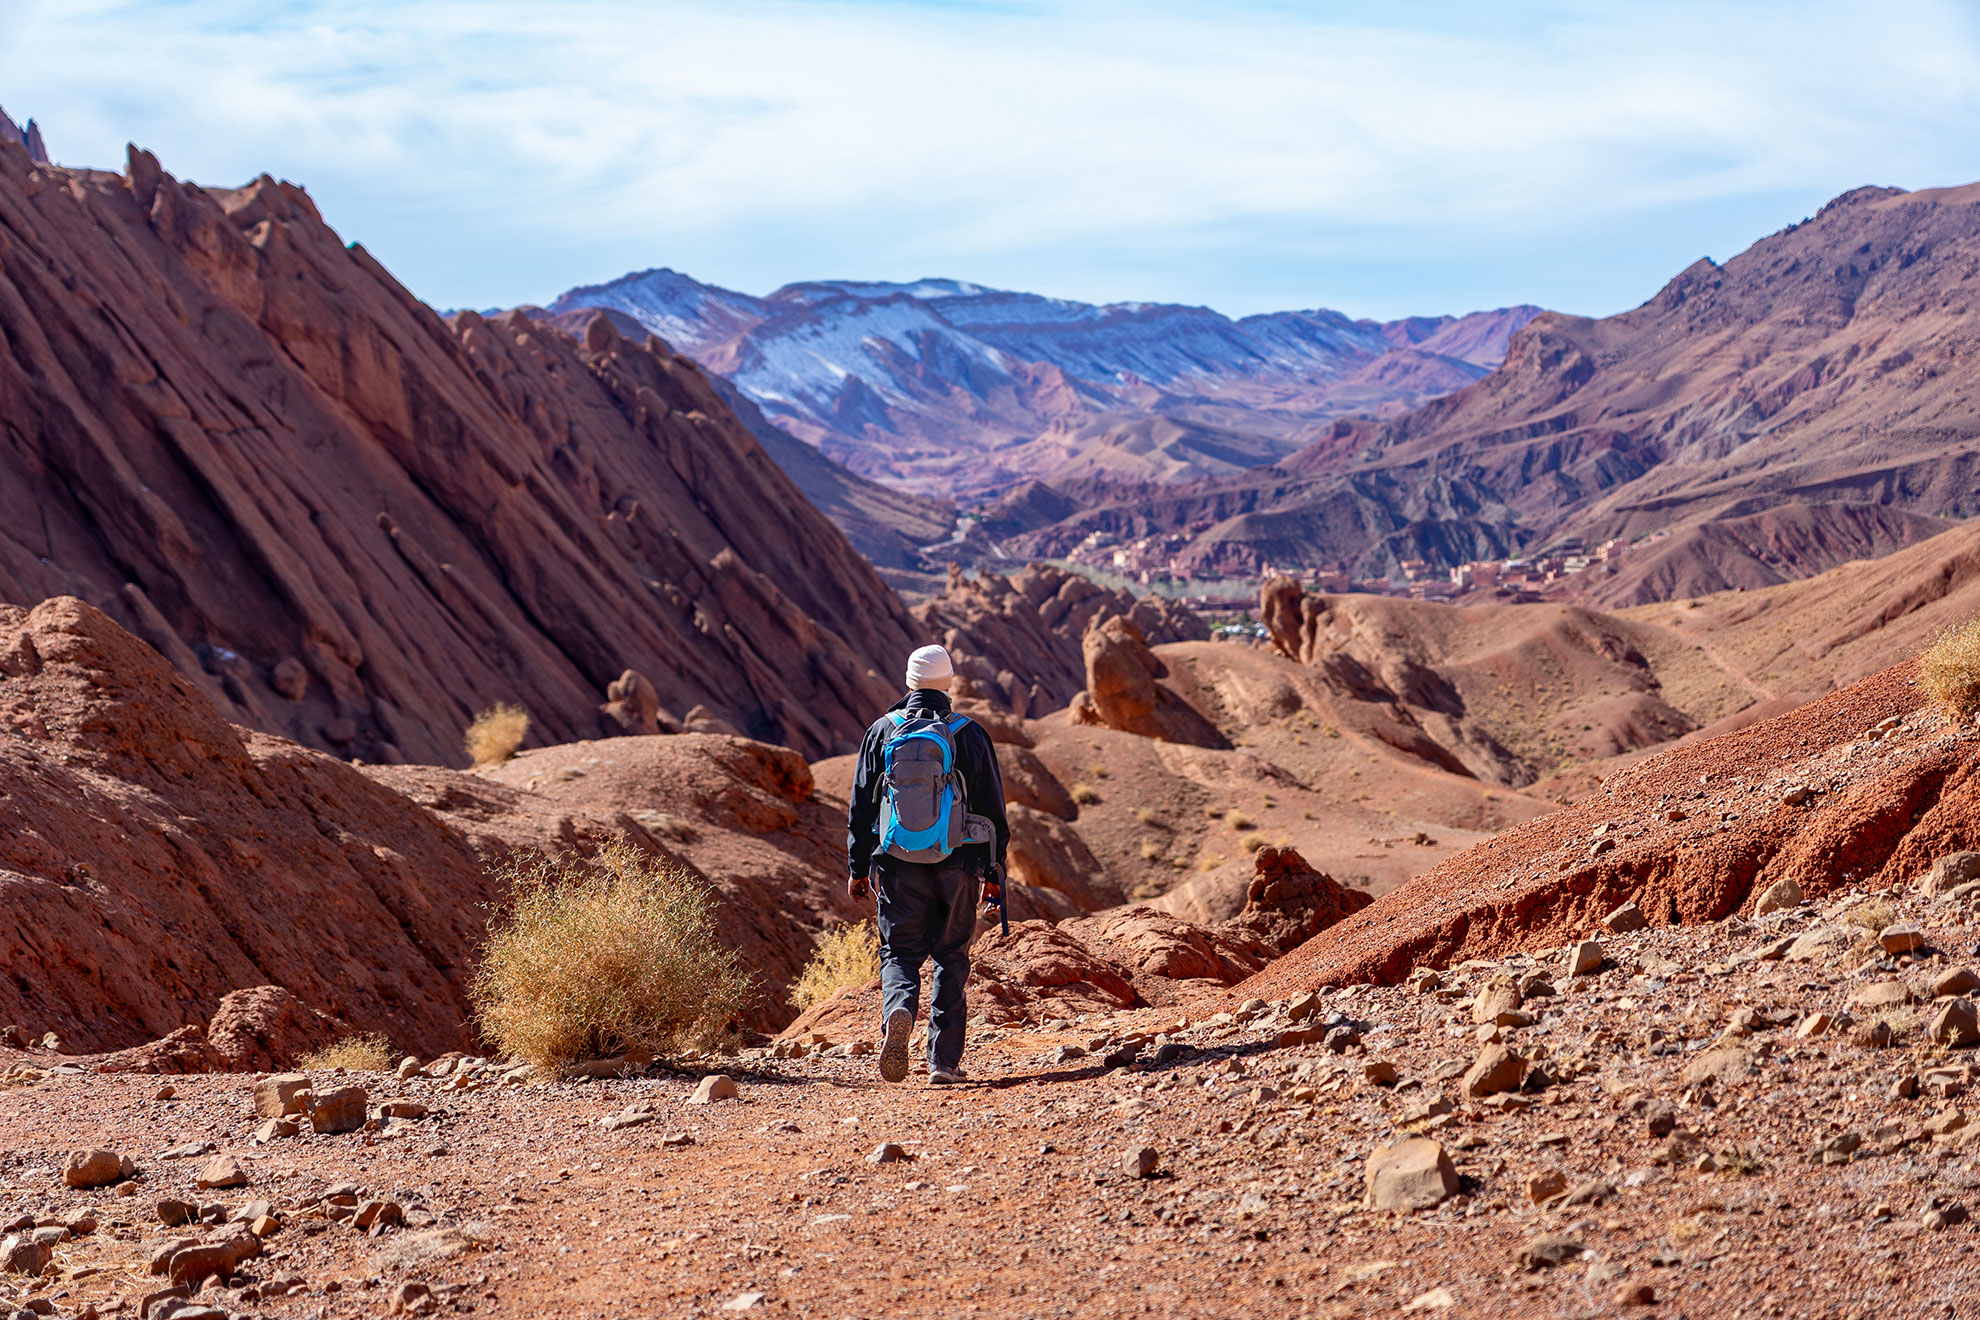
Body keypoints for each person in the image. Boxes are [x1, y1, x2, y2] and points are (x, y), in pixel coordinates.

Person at [846, 644, 1010, 1085]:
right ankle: (943, 1062)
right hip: (960, 864)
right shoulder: (969, 733)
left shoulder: (882, 730)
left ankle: (899, 1009)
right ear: (949, 683)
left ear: (908, 681)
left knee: (899, 951)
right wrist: (995, 873)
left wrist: (858, 868)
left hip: (897, 864)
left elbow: (861, 806)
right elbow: (994, 811)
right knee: (951, 956)